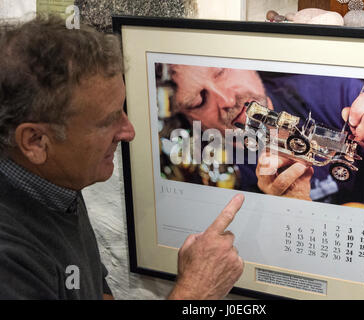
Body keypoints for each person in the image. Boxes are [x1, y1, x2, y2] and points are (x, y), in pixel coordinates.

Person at [0, 16, 244, 300]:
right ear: (35, 141)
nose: (128, 132)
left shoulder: (55, 185)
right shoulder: (9, 261)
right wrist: (196, 292)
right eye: (108, 120)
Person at [165, 64, 364, 205]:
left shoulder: (331, 91)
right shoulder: (213, 177)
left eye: (221, 72)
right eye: (198, 102)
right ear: (189, 120)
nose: (227, 100)